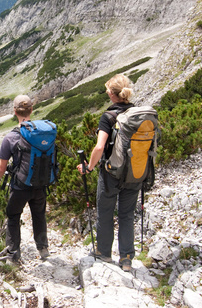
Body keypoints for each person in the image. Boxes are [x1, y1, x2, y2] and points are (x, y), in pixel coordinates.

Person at [76, 74, 140, 272]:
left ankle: (103, 252)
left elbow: (99, 147)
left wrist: (89, 167)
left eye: (107, 90)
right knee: (127, 214)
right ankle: (127, 258)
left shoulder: (108, 117)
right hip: (135, 172)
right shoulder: (138, 113)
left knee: (105, 212)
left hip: (111, 173)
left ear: (112, 95)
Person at [0, 95, 50, 262]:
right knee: (39, 214)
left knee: (13, 215)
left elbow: (1, 167)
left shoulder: (11, 137)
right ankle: (43, 247)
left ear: (14, 112)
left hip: (20, 186)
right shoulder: (43, 133)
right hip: (40, 184)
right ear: (32, 110)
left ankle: (13, 255)